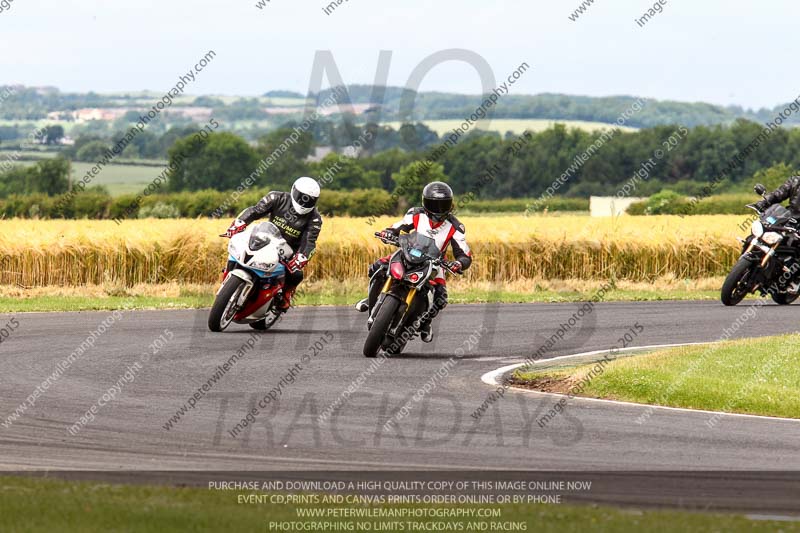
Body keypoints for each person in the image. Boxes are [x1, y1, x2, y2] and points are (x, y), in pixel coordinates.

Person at [355, 181, 472, 343]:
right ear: (425, 202)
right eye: (434, 204)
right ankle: (371, 300)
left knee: (441, 297)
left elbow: (464, 253)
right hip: (408, 253)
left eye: (443, 204)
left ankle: (425, 323)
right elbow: (397, 227)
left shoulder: (456, 226)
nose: (438, 210)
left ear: (450, 205)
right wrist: (388, 233)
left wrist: (458, 263)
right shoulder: (415, 214)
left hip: (435, 263)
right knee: (377, 267)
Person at [222, 176, 322, 311]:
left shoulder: (315, 219)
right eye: (301, 197)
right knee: (238, 248)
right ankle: (228, 276)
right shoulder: (276, 197)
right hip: (264, 237)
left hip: (288, 251)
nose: (304, 202)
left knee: (296, 274)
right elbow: (255, 211)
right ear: (293, 191)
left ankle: (286, 294)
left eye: (310, 200)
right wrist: (240, 223)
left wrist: (301, 257)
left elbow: (309, 241)